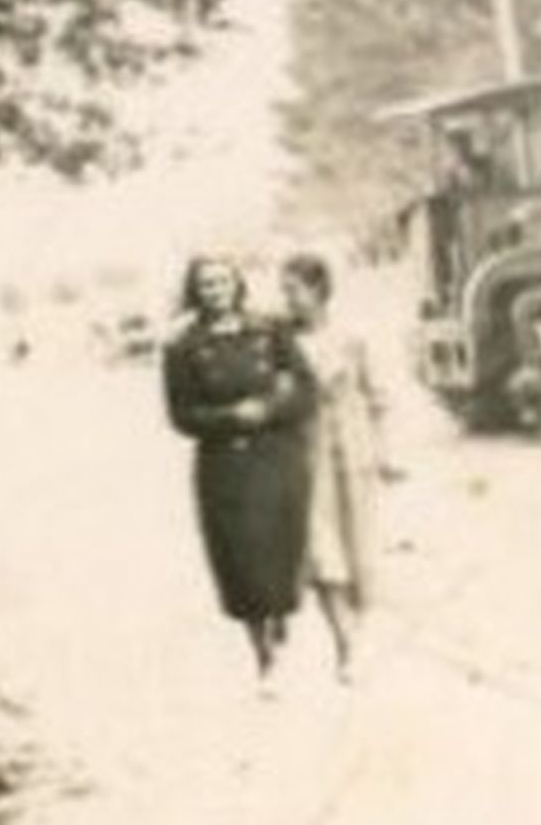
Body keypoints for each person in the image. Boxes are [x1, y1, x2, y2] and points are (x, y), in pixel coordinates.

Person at [161, 255, 317, 687]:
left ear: (237, 284)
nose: (216, 291)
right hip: (226, 466)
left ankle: (279, 616)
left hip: (278, 459)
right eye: (207, 284)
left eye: (223, 281)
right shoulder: (182, 347)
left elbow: (305, 389)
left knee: (282, 552)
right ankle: (263, 655)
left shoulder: (270, 330)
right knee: (242, 562)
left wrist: (269, 409)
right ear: (195, 292)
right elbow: (181, 415)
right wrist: (230, 417)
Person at [279, 253, 390, 684]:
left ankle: (357, 635)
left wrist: (384, 452)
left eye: (295, 289)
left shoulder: (352, 336)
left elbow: (378, 396)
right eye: (285, 290)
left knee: (357, 546)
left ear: (319, 289)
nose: (288, 299)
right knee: (320, 550)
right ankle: (346, 643)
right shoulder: (282, 341)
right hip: (303, 454)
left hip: (351, 451)